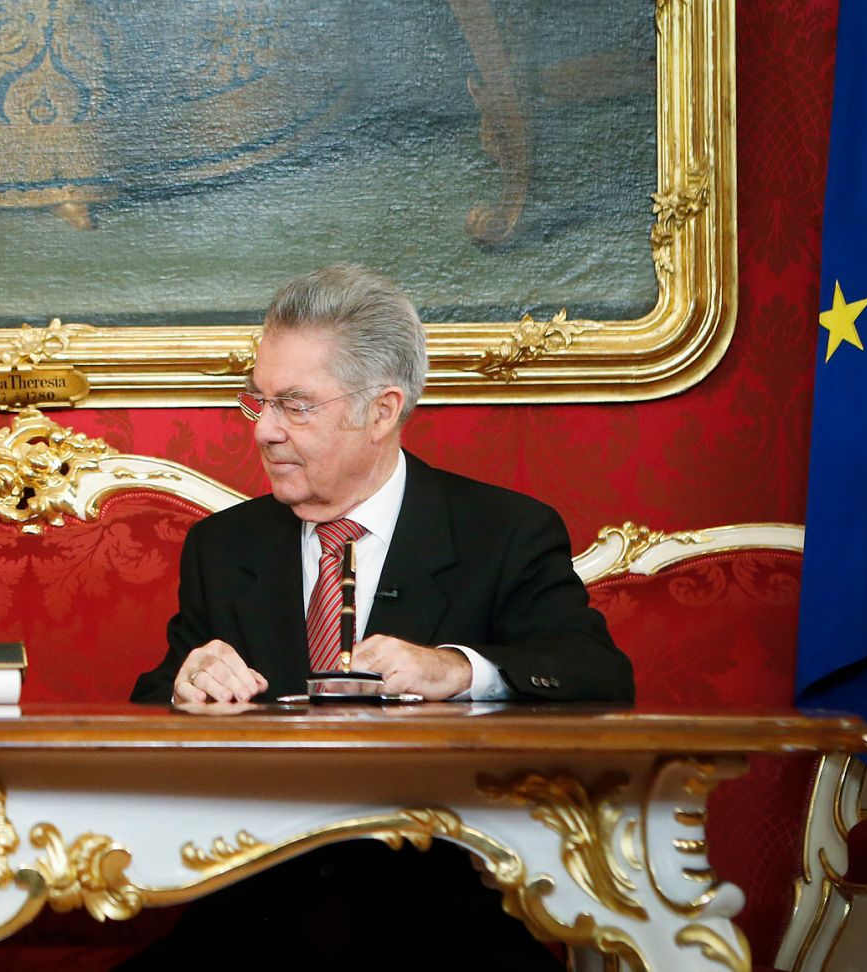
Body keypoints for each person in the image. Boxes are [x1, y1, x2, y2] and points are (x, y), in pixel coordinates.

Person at [125, 264, 632, 970]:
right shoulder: (225, 546)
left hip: (440, 919)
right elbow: (149, 704)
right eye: (258, 402)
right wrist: (187, 685)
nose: (265, 432)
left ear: (383, 410)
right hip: (253, 916)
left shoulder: (503, 531)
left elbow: (598, 674)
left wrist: (457, 669)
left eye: (295, 406)